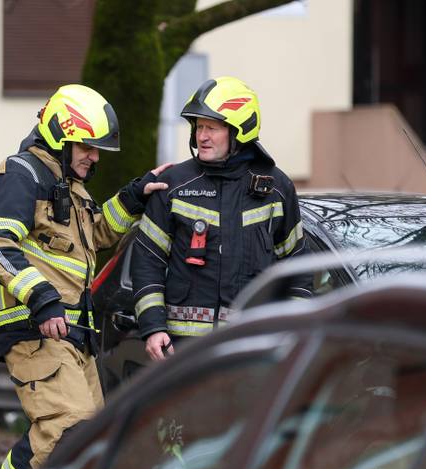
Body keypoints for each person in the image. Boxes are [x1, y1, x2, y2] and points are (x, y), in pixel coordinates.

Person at [0, 84, 171, 469]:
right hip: (34, 328)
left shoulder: (70, 186)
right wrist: (43, 300)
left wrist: (133, 196)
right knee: (66, 433)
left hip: (71, 335)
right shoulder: (21, 174)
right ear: (62, 137)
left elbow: (96, 234)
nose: (94, 157)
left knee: (88, 443)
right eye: (87, 146)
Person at [132, 76, 311, 361]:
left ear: (240, 132)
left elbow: (298, 269)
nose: (201, 136)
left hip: (254, 349)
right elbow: (147, 261)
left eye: (212, 128)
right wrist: (153, 327)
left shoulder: (277, 189)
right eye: (199, 126)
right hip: (183, 351)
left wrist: (294, 334)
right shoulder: (175, 185)